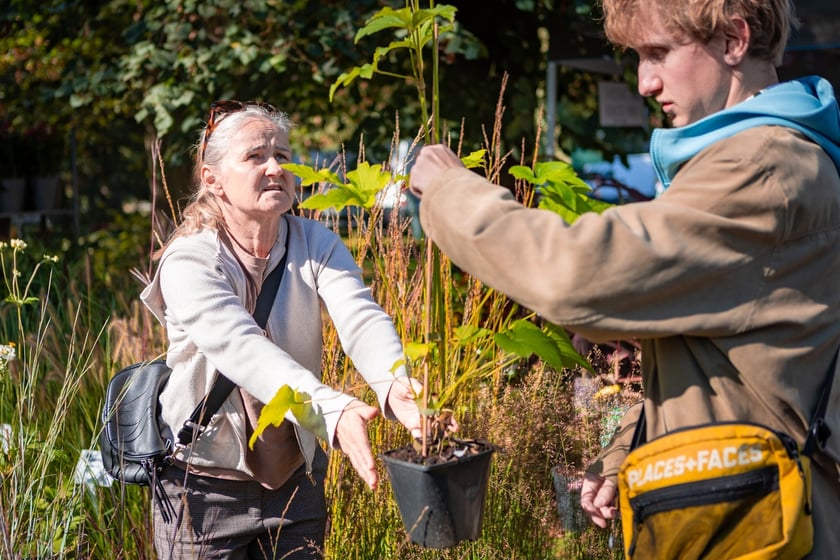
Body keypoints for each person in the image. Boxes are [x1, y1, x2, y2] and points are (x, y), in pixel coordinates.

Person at [407, 0, 840, 556]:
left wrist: (450, 191)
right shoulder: (769, 156)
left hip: (758, 527)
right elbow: (731, 368)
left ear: (734, 40)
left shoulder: (761, 168)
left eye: (658, 53)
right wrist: (628, 449)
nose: (644, 81)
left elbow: (576, 276)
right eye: (639, 57)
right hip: (743, 510)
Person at [140, 100, 422, 559]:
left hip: (295, 483)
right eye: (255, 157)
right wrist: (332, 412)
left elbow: (361, 317)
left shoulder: (316, 242)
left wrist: (396, 384)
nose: (276, 168)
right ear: (213, 180)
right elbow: (242, 349)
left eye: (284, 157)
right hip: (202, 489)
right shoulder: (190, 259)